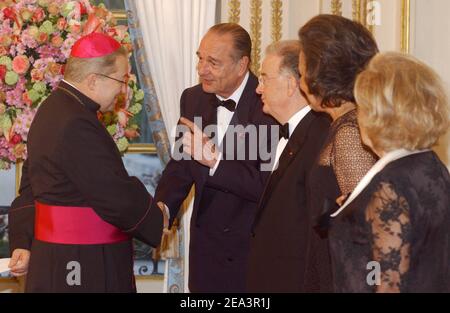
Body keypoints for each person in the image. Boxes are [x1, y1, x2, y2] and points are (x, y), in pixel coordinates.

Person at [8, 33, 164, 293]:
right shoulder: (76, 122)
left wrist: (21, 240)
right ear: (93, 80)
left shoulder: (52, 108)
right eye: (121, 80)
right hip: (82, 263)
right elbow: (114, 195)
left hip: (57, 258)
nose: (123, 90)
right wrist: (157, 216)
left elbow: (30, 187)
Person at [153, 23, 276, 292]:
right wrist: (162, 210)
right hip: (205, 249)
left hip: (250, 250)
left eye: (213, 62)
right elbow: (181, 166)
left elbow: (267, 186)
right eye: (200, 58)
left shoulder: (269, 103)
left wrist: (216, 162)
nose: (201, 69)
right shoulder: (193, 98)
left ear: (242, 65)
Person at [329, 52, 450, 293]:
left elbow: (388, 283)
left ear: (377, 115)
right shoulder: (431, 165)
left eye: (361, 107)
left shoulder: (390, 184)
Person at [297, 14, 379, 292]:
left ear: (321, 70)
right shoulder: (342, 126)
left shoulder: (350, 134)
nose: (299, 78)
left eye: (302, 66)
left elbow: (370, 236)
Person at [246, 41, 329, 292]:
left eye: (265, 79)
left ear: (292, 84)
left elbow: (320, 230)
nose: (258, 89)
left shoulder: (321, 137)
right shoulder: (290, 133)